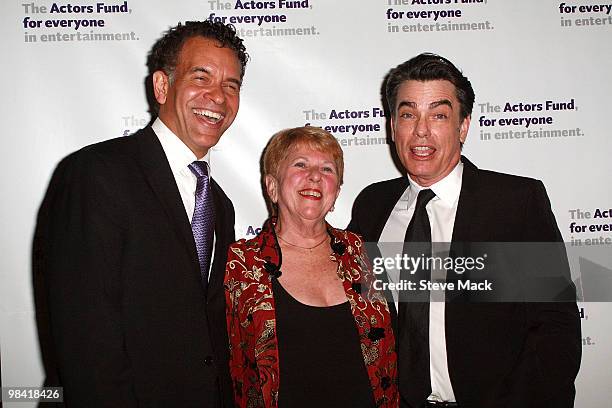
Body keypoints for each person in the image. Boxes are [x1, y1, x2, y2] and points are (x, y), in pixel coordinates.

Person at [348, 54, 581, 408]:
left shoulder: (515, 204)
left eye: (438, 115)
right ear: (392, 126)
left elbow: (555, 331)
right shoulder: (372, 206)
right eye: (408, 114)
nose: (421, 130)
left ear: (463, 126)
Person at [36, 21, 248, 406]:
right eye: (201, 77)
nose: (218, 96)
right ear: (163, 86)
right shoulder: (97, 174)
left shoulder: (220, 204)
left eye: (231, 85)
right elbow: (85, 340)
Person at [224, 126, 398, 408]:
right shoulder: (240, 262)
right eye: (300, 165)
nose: (315, 176)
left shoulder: (361, 252)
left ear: (337, 192)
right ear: (272, 186)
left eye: (327, 169)